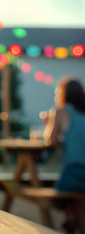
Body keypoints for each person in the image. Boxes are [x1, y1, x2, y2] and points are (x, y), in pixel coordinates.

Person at [43, 77, 85, 232]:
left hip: (74, 174)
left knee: (63, 193)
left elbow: (51, 140)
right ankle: (74, 221)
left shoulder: (61, 111)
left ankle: (71, 219)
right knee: (79, 201)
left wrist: (49, 124)